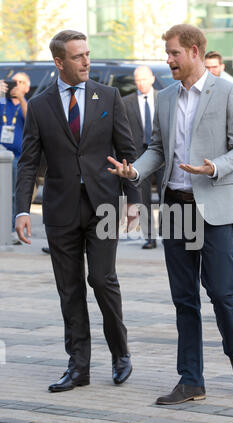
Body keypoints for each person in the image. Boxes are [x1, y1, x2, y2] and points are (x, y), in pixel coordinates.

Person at [108, 24, 233, 405]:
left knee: (221, 291)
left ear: (193, 51)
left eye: (173, 53)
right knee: (184, 297)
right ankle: (191, 379)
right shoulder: (167, 97)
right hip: (175, 205)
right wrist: (135, 171)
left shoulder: (229, 92)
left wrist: (214, 167)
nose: (167, 60)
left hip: (215, 205)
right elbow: (157, 147)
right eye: (167, 54)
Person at [15, 30, 140, 392]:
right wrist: (21, 210)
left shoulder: (110, 95)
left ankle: (121, 353)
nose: (86, 61)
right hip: (60, 210)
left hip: (103, 207)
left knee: (102, 280)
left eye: (88, 54)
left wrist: (133, 199)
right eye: (77, 56)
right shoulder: (40, 106)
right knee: (69, 290)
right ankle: (78, 367)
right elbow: (28, 163)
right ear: (59, 62)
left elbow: (127, 151)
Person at [123, 65, 163, 249]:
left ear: (152, 79)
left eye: (145, 79)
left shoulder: (164, 98)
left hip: (163, 154)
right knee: (143, 197)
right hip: (139, 156)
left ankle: (169, 232)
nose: (141, 83)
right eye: (138, 80)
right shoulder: (126, 102)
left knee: (167, 194)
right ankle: (150, 236)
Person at [0, 73, 30, 243]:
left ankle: (11, 230)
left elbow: (30, 120)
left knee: (13, 194)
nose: (16, 85)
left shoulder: (29, 104)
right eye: (14, 82)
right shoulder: (3, 102)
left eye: (21, 82)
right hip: (1, 155)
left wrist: (21, 99)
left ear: (26, 87)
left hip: (17, 157)